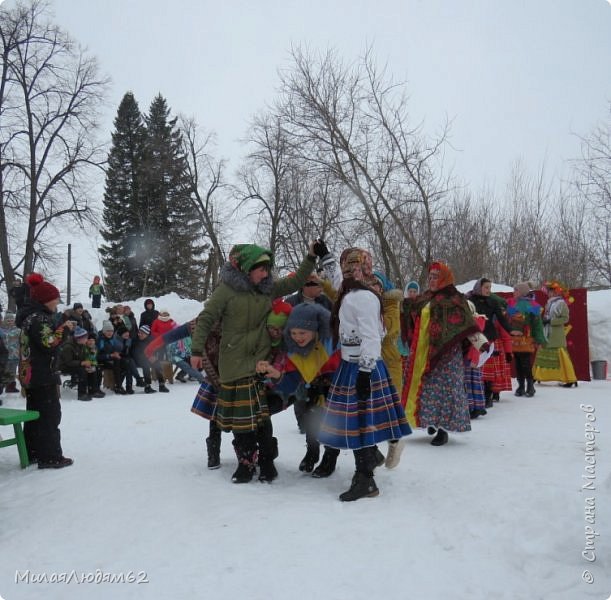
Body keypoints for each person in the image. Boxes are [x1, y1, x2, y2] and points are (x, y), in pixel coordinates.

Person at [190, 242, 318, 484]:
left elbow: (295, 281)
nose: (266, 274)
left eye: (268, 269)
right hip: (233, 363)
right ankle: (246, 463)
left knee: (260, 417)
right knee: (241, 422)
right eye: (261, 269)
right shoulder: (226, 291)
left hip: (260, 362)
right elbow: (206, 318)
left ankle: (267, 461)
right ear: (247, 268)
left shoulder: (267, 289)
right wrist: (196, 350)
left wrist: (310, 257)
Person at [317, 248, 411, 501]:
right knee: (356, 420)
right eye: (346, 267)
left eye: (353, 268)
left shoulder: (364, 298)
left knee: (358, 422)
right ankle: (370, 457)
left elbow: (372, 337)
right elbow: (338, 281)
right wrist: (325, 257)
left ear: (363, 271)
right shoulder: (350, 292)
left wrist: (365, 372)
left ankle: (365, 480)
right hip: (351, 364)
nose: (347, 272)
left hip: (363, 366)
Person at [257, 302, 340, 473]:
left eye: (302, 332)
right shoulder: (295, 352)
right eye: (293, 333)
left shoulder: (331, 345)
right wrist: (276, 374)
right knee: (310, 422)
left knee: (332, 426)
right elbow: (290, 384)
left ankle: (330, 457)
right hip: (312, 392)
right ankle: (312, 452)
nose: (298, 337)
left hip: (335, 392)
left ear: (316, 330)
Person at [401, 261, 478, 447]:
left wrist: (480, 344)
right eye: (430, 277)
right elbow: (413, 311)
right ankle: (431, 420)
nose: (431, 280)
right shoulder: (426, 297)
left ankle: (443, 428)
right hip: (424, 351)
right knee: (427, 387)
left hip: (447, 354)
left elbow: (466, 323)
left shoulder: (455, 299)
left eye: (435, 277)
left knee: (446, 390)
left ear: (444, 278)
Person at [16, 273, 74, 469]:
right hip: (42, 375)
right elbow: (48, 343)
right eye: (55, 299)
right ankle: (49, 456)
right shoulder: (39, 318)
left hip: (32, 374)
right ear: (46, 300)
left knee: (34, 415)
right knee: (49, 415)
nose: (57, 302)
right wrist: (64, 329)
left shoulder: (30, 317)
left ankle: (32, 452)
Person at [467, 278, 517, 407]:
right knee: (476, 369)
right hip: (475, 339)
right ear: (479, 287)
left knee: (487, 371)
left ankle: (487, 396)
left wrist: (511, 330)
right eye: (486, 287)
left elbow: (501, 319)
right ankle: (475, 398)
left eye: (490, 287)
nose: (489, 290)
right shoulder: (470, 301)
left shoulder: (493, 302)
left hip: (489, 338)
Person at [533, 281, 577, 387]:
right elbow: (547, 315)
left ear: (557, 292)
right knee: (542, 354)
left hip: (556, 334)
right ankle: (537, 376)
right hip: (547, 332)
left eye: (552, 291)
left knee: (560, 356)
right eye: (549, 291)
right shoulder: (549, 302)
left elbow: (565, 318)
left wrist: (551, 321)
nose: (549, 293)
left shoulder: (562, 303)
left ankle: (570, 378)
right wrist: (544, 321)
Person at [506, 282, 546, 397]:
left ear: (522, 292)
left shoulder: (532, 305)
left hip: (527, 339)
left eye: (516, 290)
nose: (514, 293)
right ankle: (521, 386)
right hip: (515, 339)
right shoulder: (512, 304)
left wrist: (538, 339)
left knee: (525, 363)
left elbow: (537, 324)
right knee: (518, 363)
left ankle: (530, 386)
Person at [57, 326, 105, 400]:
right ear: (80, 338)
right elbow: (68, 362)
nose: (87, 340)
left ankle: (93, 390)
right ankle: (82, 394)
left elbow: (82, 357)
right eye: (85, 338)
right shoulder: (68, 347)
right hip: (64, 366)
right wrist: (82, 363)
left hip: (76, 364)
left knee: (94, 368)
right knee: (82, 371)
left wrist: (88, 361)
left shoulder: (81, 345)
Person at [1, 312, 21, 393]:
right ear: (5, 321)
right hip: (4, 355)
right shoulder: (2, 330)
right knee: (4, 371)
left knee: (12, 371)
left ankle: (11, 387)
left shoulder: (18, 330)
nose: (10, 322)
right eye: (8, 320)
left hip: (15, 354)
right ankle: (2, 386)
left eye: (11, 320)